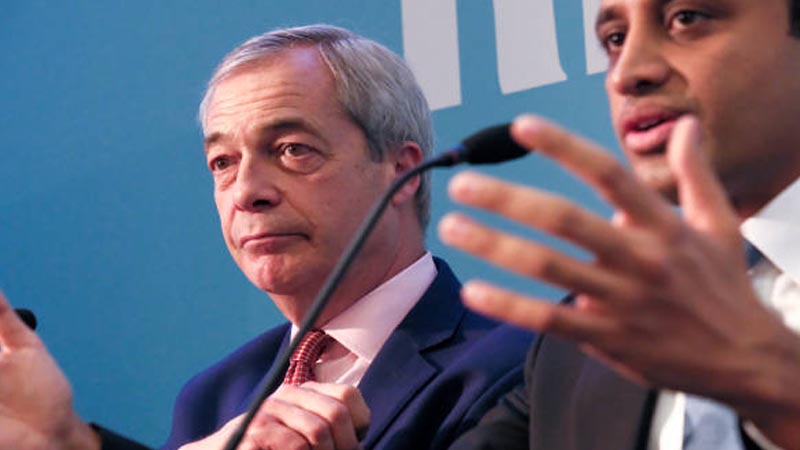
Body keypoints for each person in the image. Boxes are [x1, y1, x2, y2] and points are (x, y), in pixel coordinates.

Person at [0, 25, 533, 450]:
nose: (246, 192)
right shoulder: (216, 395)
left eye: (292, 149)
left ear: (402, 169)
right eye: (222, 162)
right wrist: (69, 441)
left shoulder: (519, 365)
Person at [439, 1, 800, 449]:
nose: (627, 74)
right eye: (615, 40)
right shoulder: (583, 340)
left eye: (687, 18)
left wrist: (777, 384)